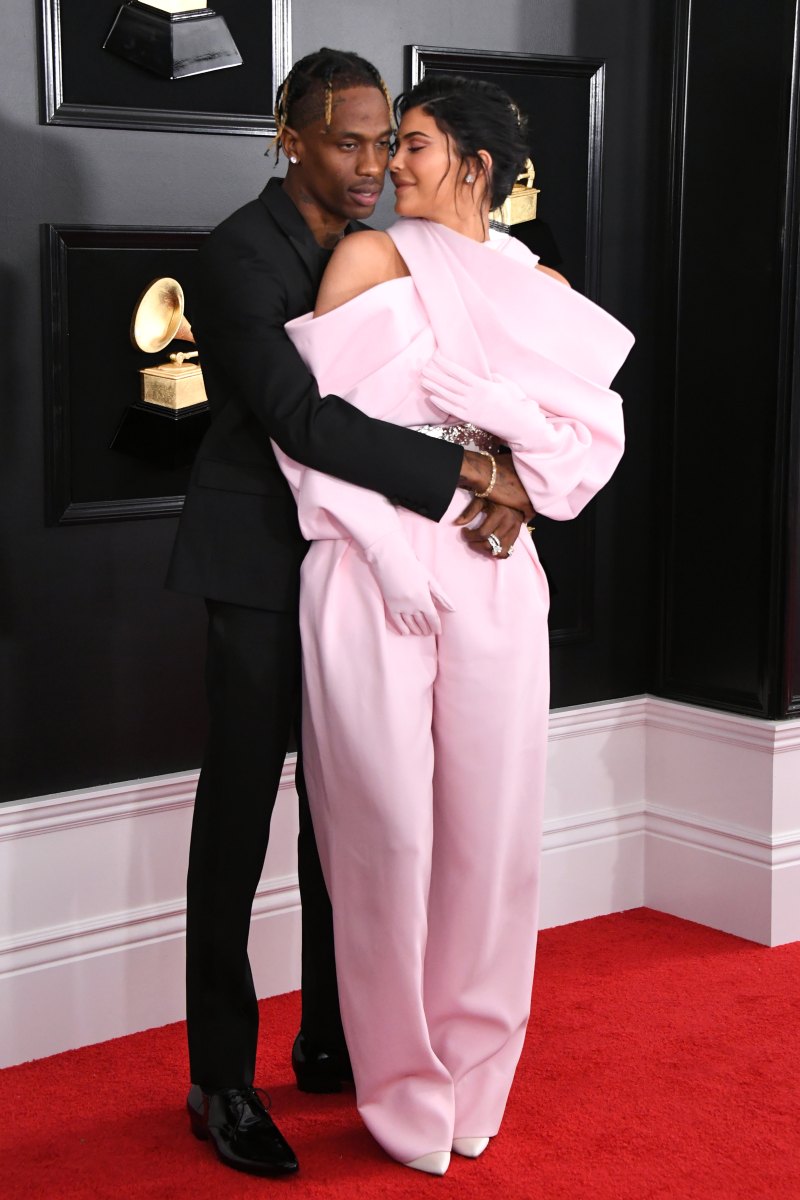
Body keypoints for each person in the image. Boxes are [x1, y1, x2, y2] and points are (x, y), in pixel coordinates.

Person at [166, 49, 534, 1179]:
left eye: (387, 141)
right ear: (290, 138)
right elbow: (301, 417)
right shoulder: (238, 254)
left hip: (374, 573)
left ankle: (334, 1036)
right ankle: (220, 1079)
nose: (372, 163)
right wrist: (469, 475)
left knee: (364, 813)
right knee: (239, 824)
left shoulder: (406, 245)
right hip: (259, 562)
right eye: (346, 140)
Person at [274, 74, 635, 1175]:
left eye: (415, 147)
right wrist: (382, 548)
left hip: (492, 575)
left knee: (490, 840)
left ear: (474, 168)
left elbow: (580, 460)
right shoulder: (367, 261)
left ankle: (477, 1081)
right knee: (383, 837)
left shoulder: (540, 285)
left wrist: (503, 417)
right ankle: (399, 1092)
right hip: (368, 570)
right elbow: (306, 439)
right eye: (388, 146)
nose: (389, 168)